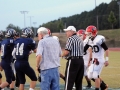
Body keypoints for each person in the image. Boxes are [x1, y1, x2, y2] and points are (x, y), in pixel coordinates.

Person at [84, 25, 109, 90]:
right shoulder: (89, 40)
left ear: (93, 33)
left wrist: (107, 60)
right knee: (89, 76)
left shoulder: (99, 40)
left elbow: (106, 49)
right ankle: (103, 86)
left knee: (95, 75)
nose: (87, 35)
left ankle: (97, 88)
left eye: (89, 33)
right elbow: (84, 49)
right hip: (94, 60)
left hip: (99, 59)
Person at [62, 26, 84, 90]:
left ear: (71, 31)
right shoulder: (80, 39)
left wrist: (61, 55)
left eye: (67, 31)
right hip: (81, 61)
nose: (66, 33)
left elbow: (66, 52)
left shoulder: (71, 39)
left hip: (73, 61)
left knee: (69, 81)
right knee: (79, 82)